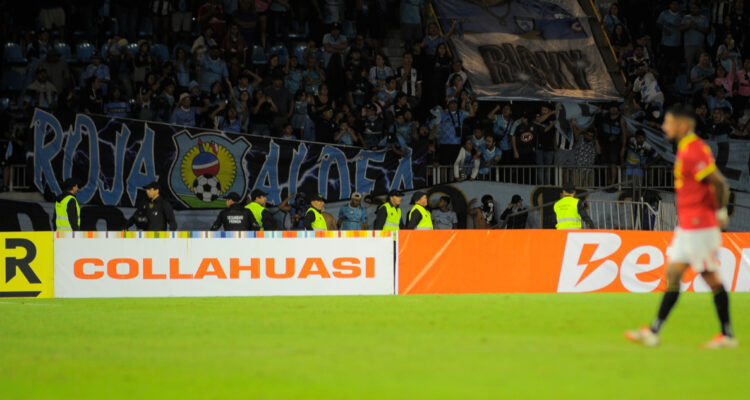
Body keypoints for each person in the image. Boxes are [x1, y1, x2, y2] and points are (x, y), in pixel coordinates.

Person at [626, 104, 736, 349]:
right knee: (673, 275)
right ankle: (654, 331)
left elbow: (718, 183)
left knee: (710, 277)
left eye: (669, 122)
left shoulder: (694, 150)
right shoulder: (686, 149)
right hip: (688, 226)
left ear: (683, 125)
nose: (665, 127)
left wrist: (719, 212)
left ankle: (727, 335)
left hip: (700, 226)